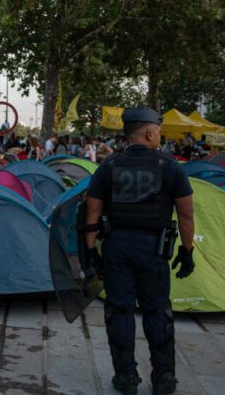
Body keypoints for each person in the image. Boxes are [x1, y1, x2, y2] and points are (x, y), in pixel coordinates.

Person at [83, 107, 195, 395]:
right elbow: (186, 214)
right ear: (149, 132)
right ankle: (163, 379)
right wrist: (186, 251)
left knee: (119, 311)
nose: (159, 136)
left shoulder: (108, 166)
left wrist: (91, 253)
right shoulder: (171, 166)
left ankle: (126, 378)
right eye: (158, 131)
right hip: (153, 249)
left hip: (117, 246)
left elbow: (92, 213)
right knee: (157, 311)